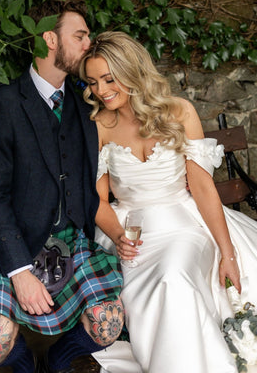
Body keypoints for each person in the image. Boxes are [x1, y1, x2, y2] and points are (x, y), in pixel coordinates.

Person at [79, 30, 257, 373]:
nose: (100, 90)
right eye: (92, 82)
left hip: (185, 222)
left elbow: (202, 186)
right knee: (155, 285)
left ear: (130, 71)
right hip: (131, 231)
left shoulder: (179, 111)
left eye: (108, 78)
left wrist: (227, 251)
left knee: (173, 276)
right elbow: (98, 201)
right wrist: (118, 237)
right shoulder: (99, 124)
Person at [0, 0, 124, 373]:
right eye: (80, 35)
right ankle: (27, 368)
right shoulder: (2, 104)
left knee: (109, 322)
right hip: (15, 245)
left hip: (70, 244)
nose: (89, 44)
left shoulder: (87, 104)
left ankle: (58, 360)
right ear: (50, 39)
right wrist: (19, 271)